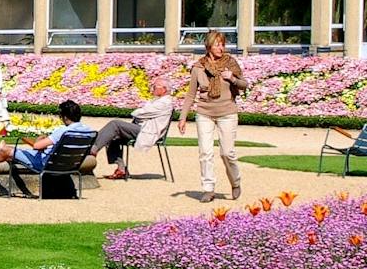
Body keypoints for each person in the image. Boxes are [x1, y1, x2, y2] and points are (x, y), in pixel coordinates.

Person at [187, 31, 249, 200]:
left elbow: (244, 84)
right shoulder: (198, 67)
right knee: (205, 152)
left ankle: (235, 182)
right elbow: (191, 94)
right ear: (209, 47)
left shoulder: (230, 63)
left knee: (227, 153)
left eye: (222, 44)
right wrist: (183, 117)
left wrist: (233, 79)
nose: (221, 48)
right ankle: (209, 188)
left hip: (227, 112)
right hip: (205, 113)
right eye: (217, 45)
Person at [0, 100, 93, 174]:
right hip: (70, 166)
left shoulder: (64, 131)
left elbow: (37, 146)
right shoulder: (88, 131)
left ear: (65, 117)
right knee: (20, 152)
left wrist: (23, 138)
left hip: (46, 165)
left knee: (6, 152)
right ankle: (10, 153)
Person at [91, 80, 181, 179]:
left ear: (164, 89)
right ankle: (121, 169)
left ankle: (92, 149)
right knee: (112, 135)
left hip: (148, 131)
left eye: (155, 86)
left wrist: (139, 113)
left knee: (115, 124)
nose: (153, 88)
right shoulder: (157, 100)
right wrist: (141, 113)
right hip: (143, 128)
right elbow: (142, 113)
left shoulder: (165, 102)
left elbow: (140, 113)